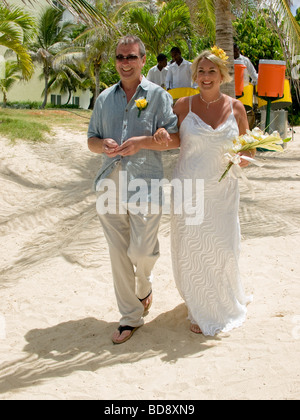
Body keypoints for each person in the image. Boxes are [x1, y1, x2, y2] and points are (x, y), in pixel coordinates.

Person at [155, 48, 254, 336]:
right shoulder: (182, 106)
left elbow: (249, 149)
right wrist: (162, 137)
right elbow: (174, 140)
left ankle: (222, 300)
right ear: (194, 74)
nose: (206, 76)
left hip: (223, 191)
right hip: (189, 188)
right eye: (201, 71)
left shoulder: (236, 108)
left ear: (222, 75)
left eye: (212, 71)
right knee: (194, 248)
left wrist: (244, 157)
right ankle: (199, 307)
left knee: (223, 248)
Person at [87, 35, 179, 345]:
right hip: (109, 180)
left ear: (143, 60)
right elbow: (91, 141)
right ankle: (130, 317)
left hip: (146, 182)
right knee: (117, 251)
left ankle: (144, 288)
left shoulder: (157, 95)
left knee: (140, 250)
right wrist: (103, 145)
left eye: (131, 57)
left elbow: (173, 135)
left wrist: (150, 139)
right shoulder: (103, 99)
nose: (125, 63)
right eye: (120, 57)